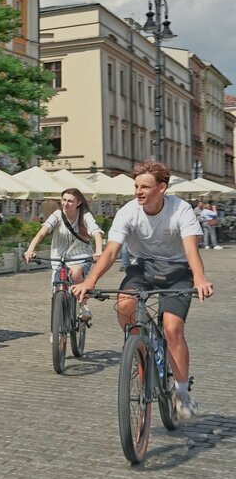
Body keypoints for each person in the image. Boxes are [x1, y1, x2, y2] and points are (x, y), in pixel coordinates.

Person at [72, 160, 214, 421]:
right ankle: (141, 350)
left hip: (178, 271)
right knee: (125, 305)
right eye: (136, 186)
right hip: (143, 268)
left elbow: (191, 249)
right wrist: (89, 281)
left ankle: (181, 393)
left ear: (162, 188)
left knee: (172, 329)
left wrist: (200, 279)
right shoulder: (128, 211)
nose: (138, 191)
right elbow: (112, 250)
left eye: (145, 186)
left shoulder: (180, 209)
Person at [23, 188, 104, 320]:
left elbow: (96, 233)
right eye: (64, 200)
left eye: (70, 201)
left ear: (78, 203)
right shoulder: (57, 215)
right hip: (58, 258)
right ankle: (58, 332)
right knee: (56, 292)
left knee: (75, 271)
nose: (66, 204)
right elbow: (42, 232)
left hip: (80, 256)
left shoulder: (85, 216)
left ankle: (83, 306)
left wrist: (99, 250)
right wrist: (30, 249)